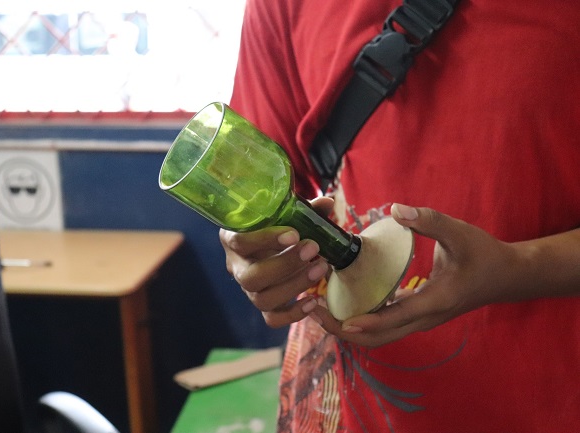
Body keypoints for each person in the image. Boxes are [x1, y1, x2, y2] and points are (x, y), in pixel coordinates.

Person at [220, 0, 580, 432]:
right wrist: (253, 253)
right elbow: (256, 191)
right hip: (346, 397)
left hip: (543, 399)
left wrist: (517, 267)